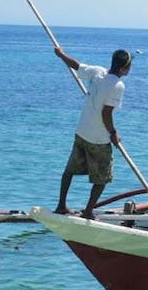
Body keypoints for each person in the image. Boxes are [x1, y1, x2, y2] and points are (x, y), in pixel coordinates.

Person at [53, 47, 132, 219]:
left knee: (70, 170)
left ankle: (61, 205)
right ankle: (88, 211)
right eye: (129, 66)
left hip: (82, 131)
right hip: (99, 139)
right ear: (122, 69)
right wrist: (113, 133)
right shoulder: (118, 85)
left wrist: (61, 54)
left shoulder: (98, 72)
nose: (130, 69)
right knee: (102, 178)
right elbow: (106, 113)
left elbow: (76, 65)